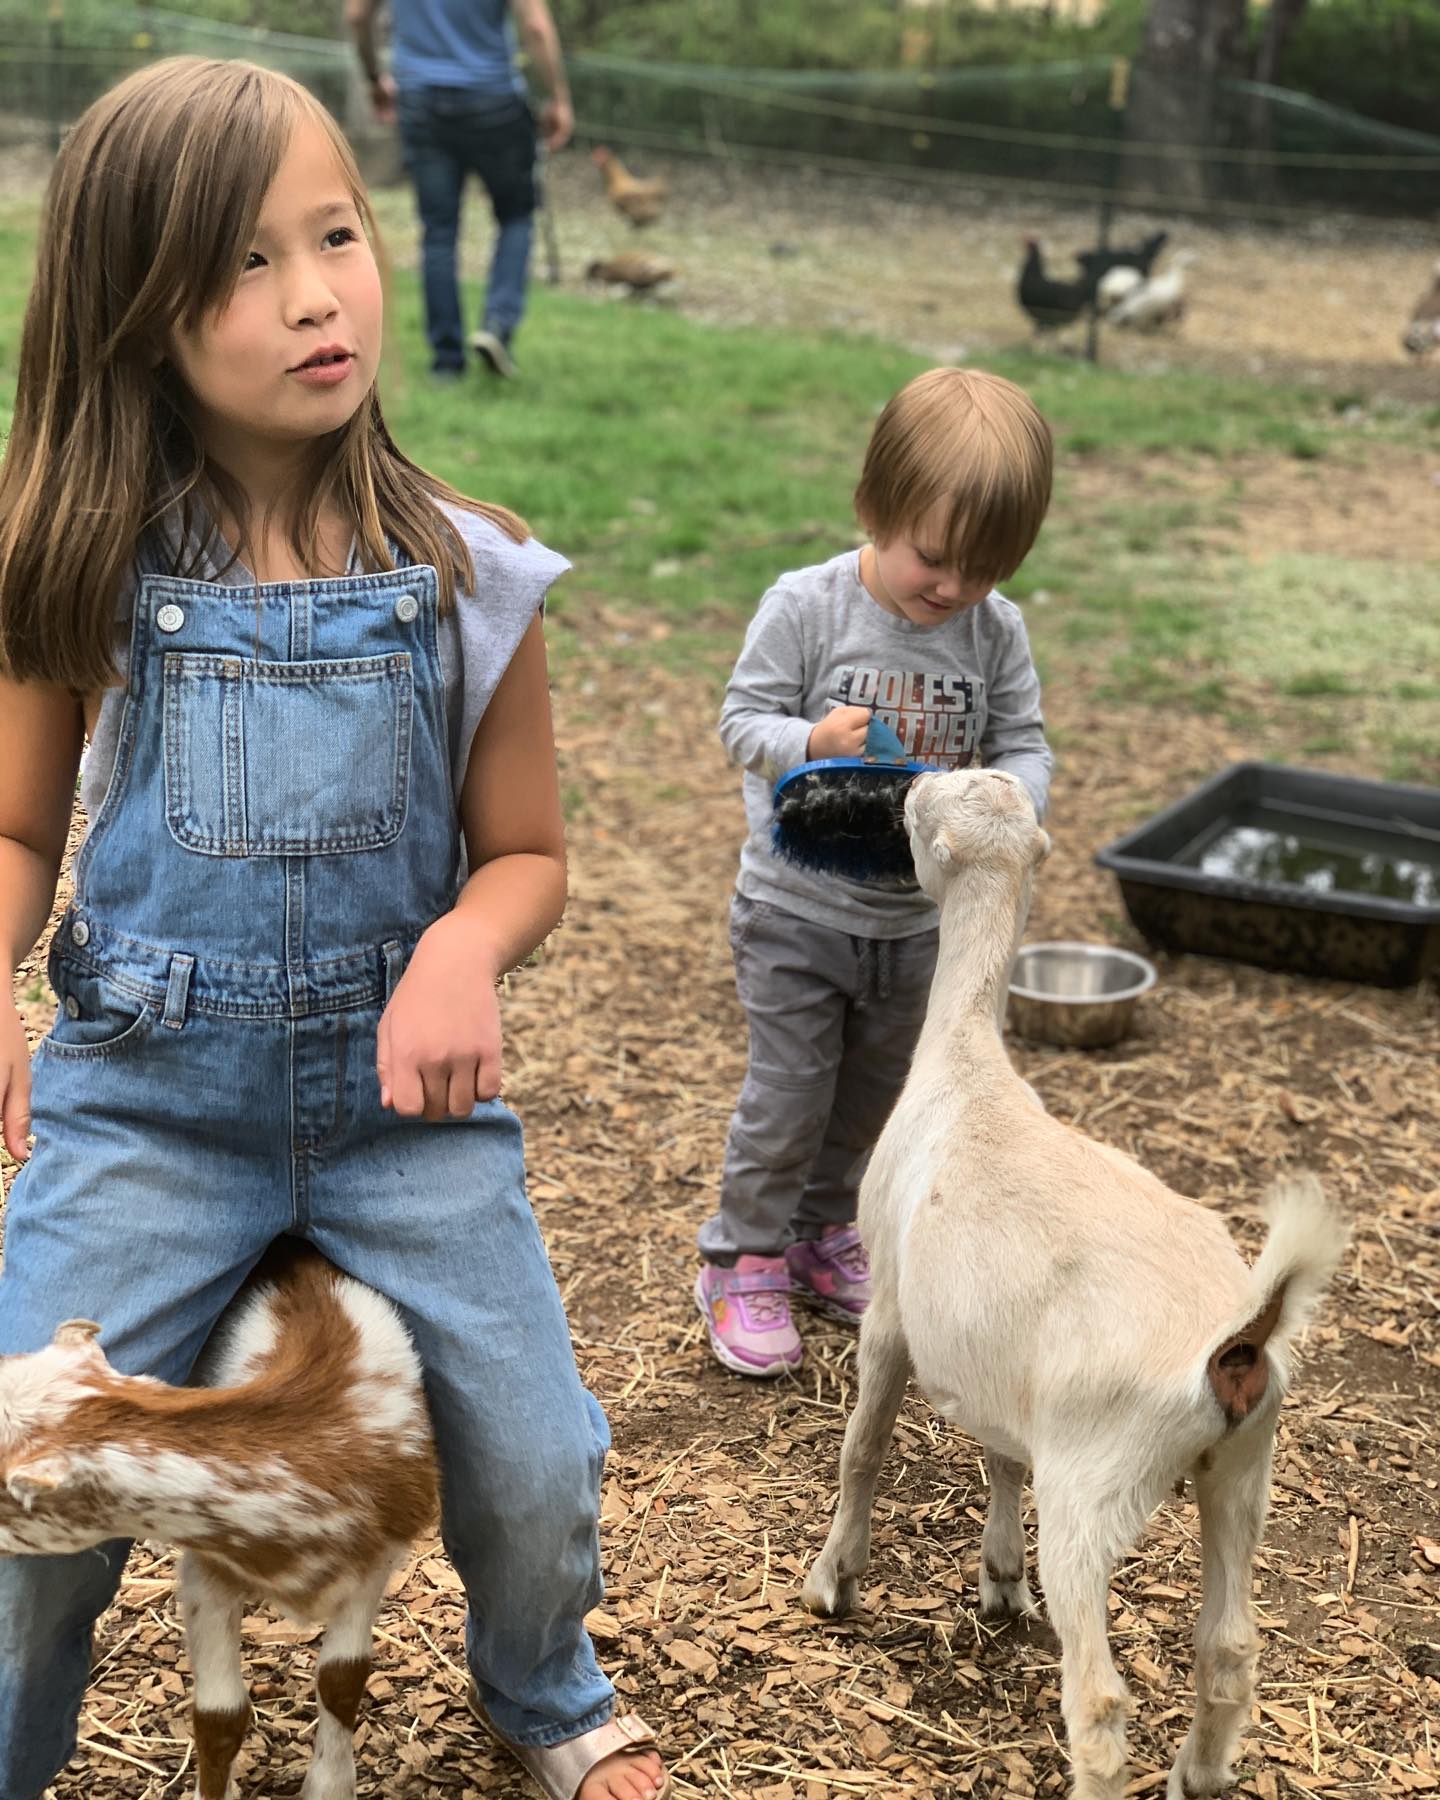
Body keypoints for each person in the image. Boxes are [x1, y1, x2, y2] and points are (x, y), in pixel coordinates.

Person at [0, 58, 667, 1800]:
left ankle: (545, 1689)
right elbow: (11, 828)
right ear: (134, 317)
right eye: (239, 263)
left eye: (339, 233)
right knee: (30, 1497)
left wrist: (460, 950)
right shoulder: (82, 567)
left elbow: (525, 855)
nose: (315, 294)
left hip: (409, 1128)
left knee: (532, 1463)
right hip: (146, 1111)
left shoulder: (469, 572)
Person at [697, 367, 1056, 1378]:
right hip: (796, 909)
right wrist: (809, 737)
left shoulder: (996, 635)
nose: (951, 589)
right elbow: (739, 724)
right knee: (790, 1092)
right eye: (933, 558)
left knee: (873, 1096)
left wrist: (1014, 802)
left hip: (916, 926)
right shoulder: (806, 609)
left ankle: (816, 1235)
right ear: (874, 508)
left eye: (983, 570)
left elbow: (1025, 744)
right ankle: (741, 1256)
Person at [347, 0, 572, 380]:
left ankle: (447, 363)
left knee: (438, 232)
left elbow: (356, 14)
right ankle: (497, 324)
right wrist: (559, 98)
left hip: (421, 100)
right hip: (494, 101)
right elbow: (535, 26)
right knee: (517, 215)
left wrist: (374, 79)